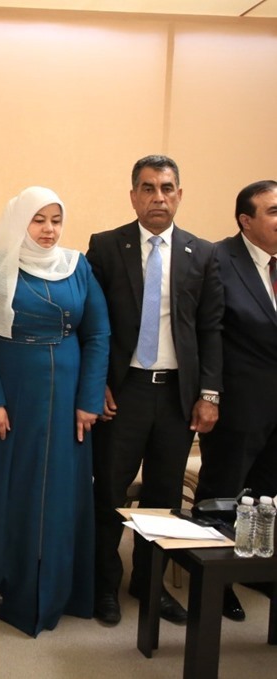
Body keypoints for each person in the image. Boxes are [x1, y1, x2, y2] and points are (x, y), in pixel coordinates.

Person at [0, 186, 109, 636]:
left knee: (62, 492)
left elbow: (98, 334)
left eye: (56, 220)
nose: (49, 230)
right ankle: (5, 590)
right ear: (19, 221)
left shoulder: (77, 266)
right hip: (13, 396)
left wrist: (88, 400)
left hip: (68, 397)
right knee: (12, 488)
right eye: (38, 219)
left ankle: (61, 592)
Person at [87, 155, 222, 626]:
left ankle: (149, 585)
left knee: (163, 498)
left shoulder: (203, 253)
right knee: (110, 492)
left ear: (179, 195)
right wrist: (97, 384)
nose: (157, 197)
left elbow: (210, 330)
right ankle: (104, 585)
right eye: (147, 188)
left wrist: (209, 394)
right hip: (123, 393)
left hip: (176, 397)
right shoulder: (106, 247)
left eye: (166, 188)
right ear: (133, 196)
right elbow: (92, 324)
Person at [194, 180, 277, 621]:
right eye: (274, 211)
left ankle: (252, 566)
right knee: (223, 492)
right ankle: (213, 579)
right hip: (238, 403)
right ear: (246, 220)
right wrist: (209, 395)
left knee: (266, 494)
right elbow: (208, 333)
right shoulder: (219, 259)